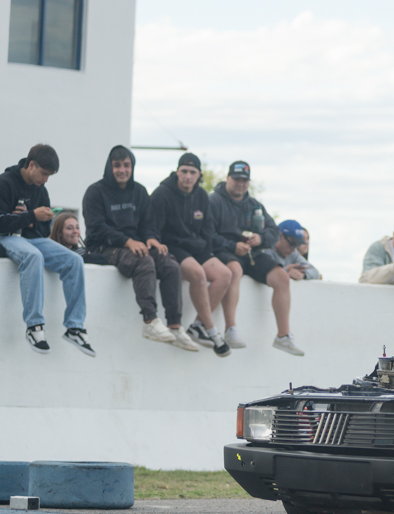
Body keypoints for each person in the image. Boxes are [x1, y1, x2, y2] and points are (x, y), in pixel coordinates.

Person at [82, 146, 198, 352]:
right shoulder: (95, 192)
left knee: (170, 264)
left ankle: (174, 326)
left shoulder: (140, 191)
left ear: (132, 167)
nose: (122, 170)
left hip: (136, 245)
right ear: (109, 167)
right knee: (144, 262)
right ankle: (150, 322)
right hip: (103, 247)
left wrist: (152, 238)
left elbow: (148, 223)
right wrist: (127, 241)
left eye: (126, 165)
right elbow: (96, 228)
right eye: (117, 166)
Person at [0, 144, 94, 355]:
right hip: (7, 238)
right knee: (33, 256)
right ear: (31, 165)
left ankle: (75, 327)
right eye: (44, 173)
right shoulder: (5, 183)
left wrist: (31, 220)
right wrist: (29, 216)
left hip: (32, 239)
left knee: (74, 260)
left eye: (49, 175)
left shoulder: (41, 190)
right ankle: (34, 326)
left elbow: (43, 231)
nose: (45, 180)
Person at [209, 160, 303, 356]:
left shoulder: (255, 205)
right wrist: (232, 246)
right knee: (234, 270)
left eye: (244, 180)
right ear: (227, 178)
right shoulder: (214, 201)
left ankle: (283, 335)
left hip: (252, 253)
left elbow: (274, 231)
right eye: (236, 179)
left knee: (281, 276)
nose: (240, 184)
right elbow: (208, 234)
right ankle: (231, 329)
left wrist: (260, 239)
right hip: (224, 252)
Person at [150, 152, 232, 357]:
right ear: (177, 172)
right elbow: (152, 228)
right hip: (172, 246)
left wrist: (207, 250)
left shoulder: (202, 195)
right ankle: (213, 332)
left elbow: (208, 229)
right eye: (184, 171)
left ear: (199, 175)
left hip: (197, 247)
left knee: (225, 274)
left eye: (192, 172)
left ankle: (197, 326)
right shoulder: (162, 193)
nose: (188, 176)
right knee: (198, 274)